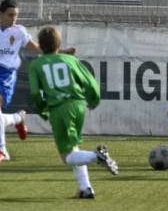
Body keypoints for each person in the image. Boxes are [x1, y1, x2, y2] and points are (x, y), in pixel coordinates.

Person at [0, 0, 75, 163]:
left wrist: (62, 52)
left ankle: (1, 150)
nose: (14, 19)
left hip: (6, 73)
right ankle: (18, 118)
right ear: (1, 14)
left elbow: (38, 49)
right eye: (10, 15)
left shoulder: (19, 31)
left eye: (16, 15)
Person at [28, 26, 118, 199]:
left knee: (67, 157)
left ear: (39, 45)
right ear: (59, 44)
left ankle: (96, 156)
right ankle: (86, 188)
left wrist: (42, 109)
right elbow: (89, 81)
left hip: (59, 109)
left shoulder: (36, 64)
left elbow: (34, 92)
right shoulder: (70, 60)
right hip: (78, 105)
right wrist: (94, 99)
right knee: (73, 149)